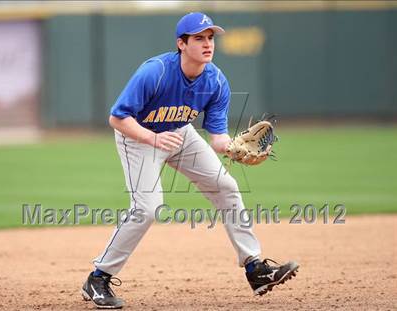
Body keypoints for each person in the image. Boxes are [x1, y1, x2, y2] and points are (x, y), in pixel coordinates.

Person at [81, 12, 299, 309]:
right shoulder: (155, 72)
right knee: (147, 209)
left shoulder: (216, 80)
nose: (208, 44)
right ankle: (98, 278)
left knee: (226, 186)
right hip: (139, 138)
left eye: (210, 38)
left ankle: (255, 269)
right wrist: (152, 138)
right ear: (181, 43)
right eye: (199, 38)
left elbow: (218, 139)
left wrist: (234, 149)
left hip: (179, 134)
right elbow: (117, 118)